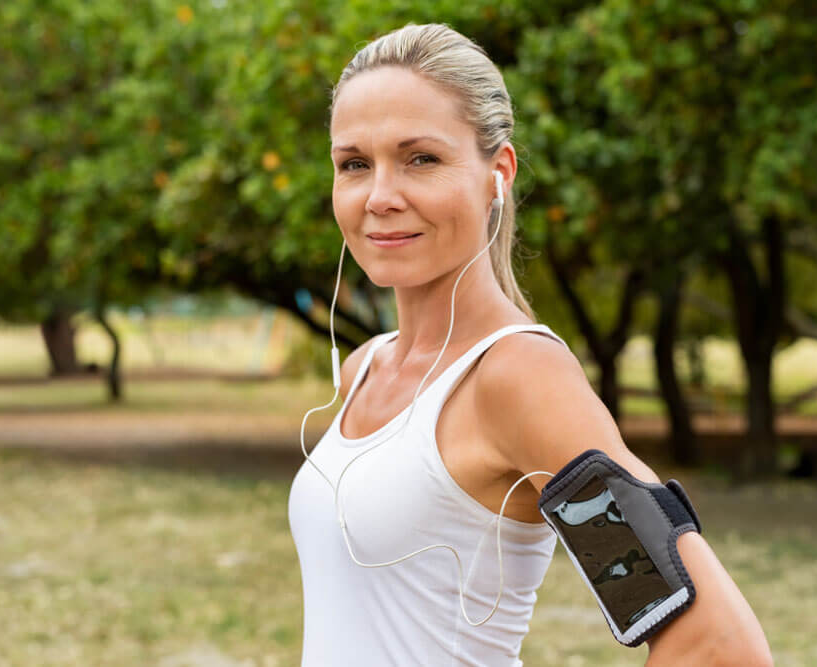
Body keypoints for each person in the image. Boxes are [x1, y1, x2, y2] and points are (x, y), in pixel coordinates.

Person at [287, 22, 772, 667]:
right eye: (354, 164)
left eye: (420, 159)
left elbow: (718, 645)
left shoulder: (516, 376)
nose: (379, 197)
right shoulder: (362, 369)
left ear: (498, 172)